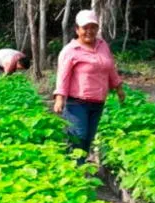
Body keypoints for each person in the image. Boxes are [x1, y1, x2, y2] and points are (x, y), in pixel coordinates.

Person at [53, 10, 126, 164]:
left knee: (88, 139)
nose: (89, 31)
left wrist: (118, 88)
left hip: (98, 102)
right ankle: (72, 171)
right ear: (77, 29)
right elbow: (63, 76)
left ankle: (80, 169)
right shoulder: (70, 51)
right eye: (85, 27)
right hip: (77, 102)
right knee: (78, 137)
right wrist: (59, 98)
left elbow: (110, 67)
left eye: (93, 27)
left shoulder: (102, 45)